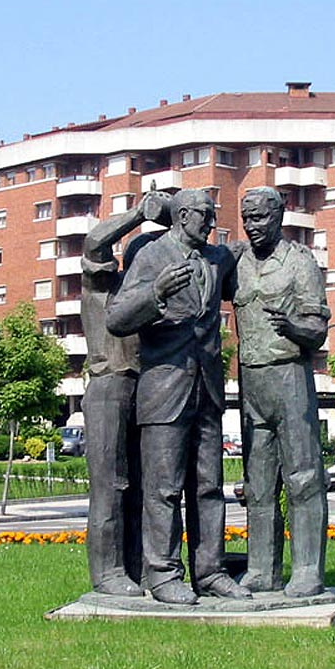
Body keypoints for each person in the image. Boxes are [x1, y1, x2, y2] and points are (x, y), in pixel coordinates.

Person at [107, 189, 251, 605]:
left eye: (213, 216)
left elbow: (241, 252)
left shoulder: (216, 259)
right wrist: (155, 294)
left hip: (206, 388)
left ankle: (211, 571)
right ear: (182, 215)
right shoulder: (151, 256)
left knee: (209, 486)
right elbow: (117, 318)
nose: (210, 223)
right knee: (163, 490)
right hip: (164, 389)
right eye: (205, 215)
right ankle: (164, 574)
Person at [232, 186, 331, 597]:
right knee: (257, 483)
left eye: (261, 218)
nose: (254, 227)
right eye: (247, 219)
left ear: (280, 216)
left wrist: (294, 327)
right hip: (251, 380)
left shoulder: (300, 262)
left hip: (290, 377)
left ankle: (307, 570)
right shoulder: (236, 262)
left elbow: (318, 329)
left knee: (303, 477)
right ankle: (262, 569)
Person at [80, 189, 171, 597]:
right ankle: (108, 572)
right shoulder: (104, 286)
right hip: (108, 386)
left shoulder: (151, 302)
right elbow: (94, 242)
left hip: (144, 388)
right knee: (111, 484)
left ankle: (139, 565)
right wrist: (139, 214)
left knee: (144, 485)